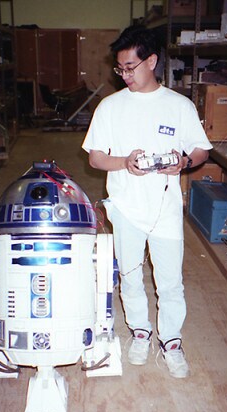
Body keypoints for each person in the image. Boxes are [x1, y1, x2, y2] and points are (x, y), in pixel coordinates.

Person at [82, 26, 212, 378]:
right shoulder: (110, 107)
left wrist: (182, 162)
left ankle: (171, 340)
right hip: (125, 207)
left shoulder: (178, 105)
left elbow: (200, 150)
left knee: (170, 280)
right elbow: (95, 158)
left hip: (166, 210)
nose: (124, 75)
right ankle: (140, 331)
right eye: (119, 69)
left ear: (151, 61)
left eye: (130, 67)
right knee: (130, 274)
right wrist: (124, 162)